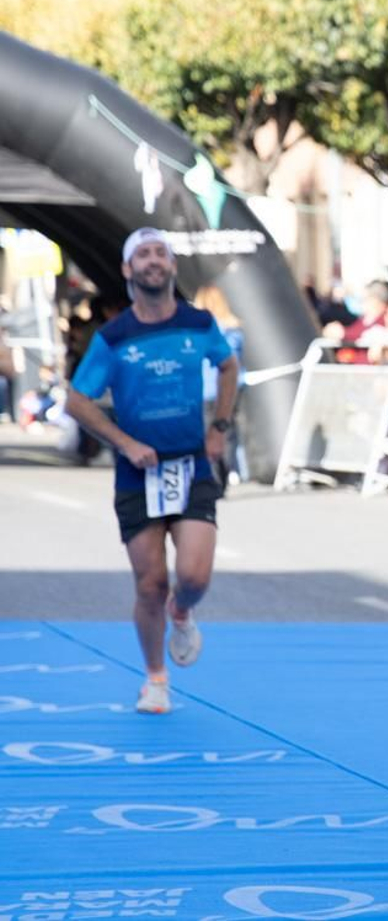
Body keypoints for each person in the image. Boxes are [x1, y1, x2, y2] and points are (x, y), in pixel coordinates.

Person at [63, 228, 238, 716]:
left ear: (173, 266)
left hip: (191, 463)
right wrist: (124, 442)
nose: (153, 260)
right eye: (143, 254)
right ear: (128, 270)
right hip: (137, 474)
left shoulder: (198, 323)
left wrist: (220, 426)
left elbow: (228, 366)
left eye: (161, 252)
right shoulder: (114, 338)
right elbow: (77, 401)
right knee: (149, 584)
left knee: (193, 576)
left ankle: (182, 612)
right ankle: (155, 679)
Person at [192, 284, 247, 482]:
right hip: (231, 386)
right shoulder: (232, 328)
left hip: (208, 388)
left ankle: (215, 474)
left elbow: (227, 362)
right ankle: (226, 471)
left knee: (210, 431)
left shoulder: (202, 331)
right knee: (227, 430)